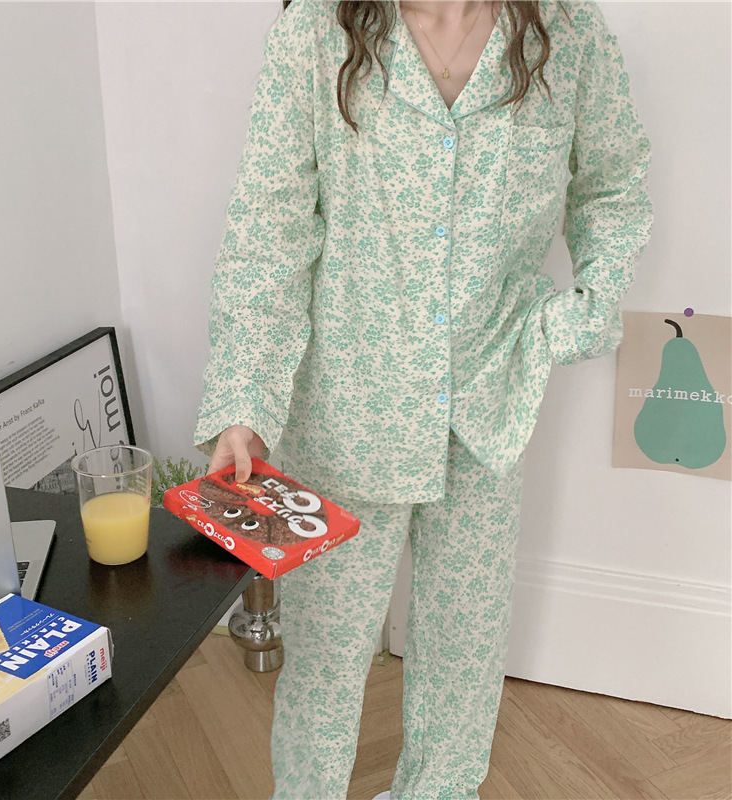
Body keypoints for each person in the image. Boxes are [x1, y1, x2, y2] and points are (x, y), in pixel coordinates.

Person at [195, 0, 653, 797]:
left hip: (490, 401)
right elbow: (270, 229)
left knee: (463, 657)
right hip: (349, 410)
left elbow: (615, 186)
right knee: (327, 659)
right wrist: (244, 397)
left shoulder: (570, 35)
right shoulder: (316, 34)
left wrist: (587, 306)